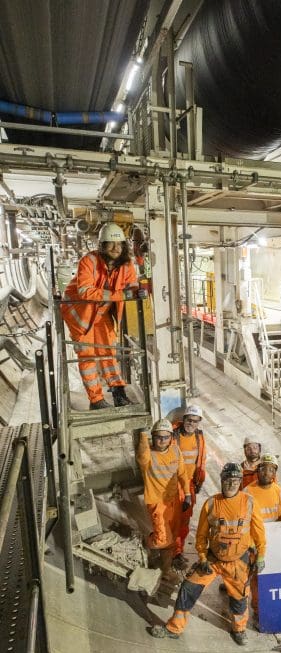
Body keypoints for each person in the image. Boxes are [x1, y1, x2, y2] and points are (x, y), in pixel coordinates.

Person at [150, 462, 265, 646]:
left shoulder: (249, 502)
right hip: (213, 559)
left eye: (236, 480)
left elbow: (259, 533)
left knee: (239, 598)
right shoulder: (211, 503)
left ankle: (239, 629)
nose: (231, 484)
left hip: (238, 561)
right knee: (188, 588)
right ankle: (174, 628)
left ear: (240, 482)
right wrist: (203, 557)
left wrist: (260, 556)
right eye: (228, 480)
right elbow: (201, 535)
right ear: (222, 480)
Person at [62, 222, 145, 409]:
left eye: (120, 244)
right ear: (102, 245)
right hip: (79, 315)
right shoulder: (88, 261)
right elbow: (85, 291)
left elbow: (131, 287)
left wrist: (137, 291)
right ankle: (96, 400)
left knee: (108, 352)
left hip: (102, 313)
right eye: (111, 244)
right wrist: (121, 295)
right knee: (87, 356)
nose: (116, 248)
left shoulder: (126, 265)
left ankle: (119, 394)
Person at [136, 418, 190, 582]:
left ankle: (165, 570)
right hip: (157, 502)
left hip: (174, 501)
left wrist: (187, 494)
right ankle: (143, 543)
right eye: (158, 437)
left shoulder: (175, 451)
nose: (162, 440)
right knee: (162, 540)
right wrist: (143, 434)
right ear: (152, 437)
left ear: (171, 437)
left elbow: (182, 474)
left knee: (172, 538)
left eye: (165, 437)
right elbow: (142, 456)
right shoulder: (147, 455)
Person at [246, 453, 281, 623]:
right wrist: (251, 544)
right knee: (256, 578)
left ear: (275, 473)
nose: (266, 473)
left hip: (273, 544)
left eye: (270, 469)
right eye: (263, 468)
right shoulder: (248, 492)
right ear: (258, 470)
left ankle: (272, 606)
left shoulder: (279, 492)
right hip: (254, 545)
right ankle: (258, 609)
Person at [171, 403, 207, 570]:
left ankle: (177, 551)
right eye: (189, 420)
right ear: (184, 419)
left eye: (195, 421)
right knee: (172, 519)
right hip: (173, 485)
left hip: (190, 485)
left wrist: (200, 481)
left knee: (184, 520)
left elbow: (202, 460)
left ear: (198, 422)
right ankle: (171, 552)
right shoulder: (173, 435)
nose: (191, 424)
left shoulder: (199, 437)